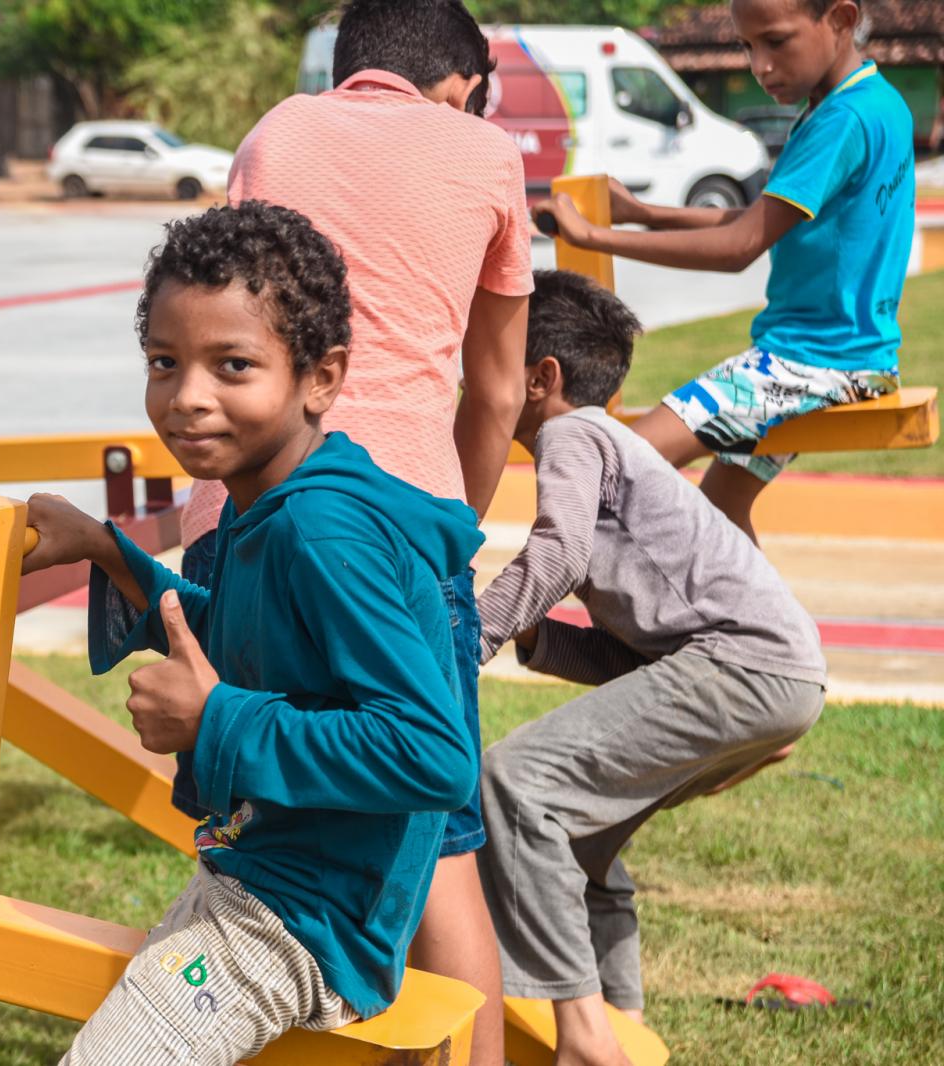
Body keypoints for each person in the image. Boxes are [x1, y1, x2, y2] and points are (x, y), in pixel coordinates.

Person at [24, 201, 483, 1065]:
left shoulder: (321, 532)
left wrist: (215, 719)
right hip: (265, 882)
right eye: (165, 363)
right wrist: (106, 549)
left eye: (233, 365)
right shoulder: (268, 502)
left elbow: (433, 753)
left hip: (300, 923)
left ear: (322, 377)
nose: (188, 397)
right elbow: (244, 636)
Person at [171, 2, 531, 1058]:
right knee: (437, 838)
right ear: (460, 82)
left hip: (239, 517)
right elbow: (498, 389)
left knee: (258, 824)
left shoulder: (277, 132)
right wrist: (448, 530)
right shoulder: (482, 150)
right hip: (389, 522)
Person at [473, 270, 826, 1066]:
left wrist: (474, 633)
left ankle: (586, 1039)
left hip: (741, 666)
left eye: (487, 357)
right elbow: (640, 664)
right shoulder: (614, 451)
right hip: (776, 674)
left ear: (542, 377)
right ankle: (624, 1027)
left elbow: (556, 554)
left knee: (515, 785)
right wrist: (536, 641)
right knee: (582, 842)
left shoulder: (575, 435)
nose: (474, 377)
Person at [540, 0, 913, 543]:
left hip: (806, 366)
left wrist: (594, 238)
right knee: (722, 509)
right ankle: (769, 631)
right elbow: (760, 217)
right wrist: (643, 214)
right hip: (850, 358)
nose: (759, 65)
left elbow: (740, 245)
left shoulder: (841, 119)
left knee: (611, 470)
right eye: (747, 46)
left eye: (776, 41)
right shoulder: (873, 101)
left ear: (840, 19)